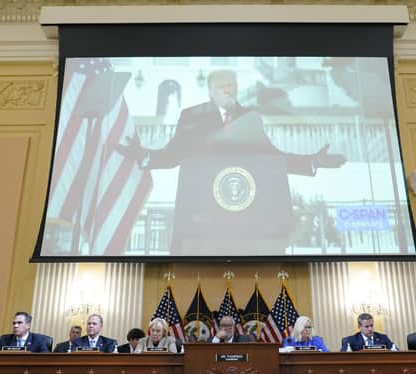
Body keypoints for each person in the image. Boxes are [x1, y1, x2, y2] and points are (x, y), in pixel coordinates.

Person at [118, 69, 345, 255]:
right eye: (222, 86)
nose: (228, 89)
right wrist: (145, 156)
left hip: (244, 223)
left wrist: (312, 162)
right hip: (203, 224)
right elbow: (173, 155)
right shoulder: (192, 116)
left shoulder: (251, 118)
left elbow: (273, 158)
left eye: (231, 85)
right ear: (210, 91)